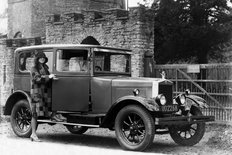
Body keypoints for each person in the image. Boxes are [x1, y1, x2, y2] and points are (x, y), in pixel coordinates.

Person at [30, 50, 65, 142]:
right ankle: (33, 134)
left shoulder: (45, 68)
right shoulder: (33, 68)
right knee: (35, 113)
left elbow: (47, 78)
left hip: (44, 93)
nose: (42, 59)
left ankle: (54, 116)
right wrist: (48, 77)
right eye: (40, 57)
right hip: (37, 93)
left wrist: (52, 78)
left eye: (43, 58)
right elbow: (37, 78)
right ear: (37, 59)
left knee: (50, 105)